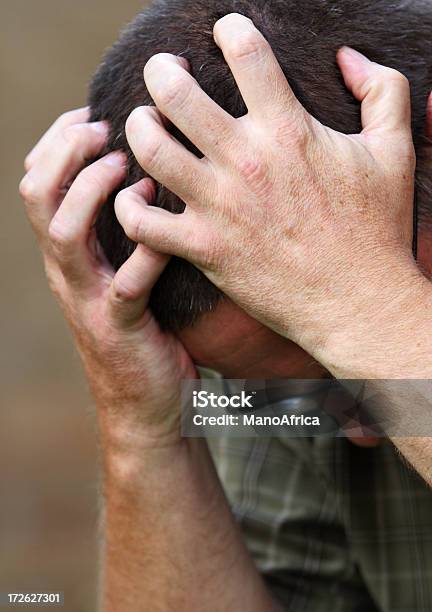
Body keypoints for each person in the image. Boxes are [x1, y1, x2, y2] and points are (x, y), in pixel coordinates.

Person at [19, 12, 432, 612]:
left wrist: (366, 311)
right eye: (306, 393)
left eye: (341, 371)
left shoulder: (313, 323)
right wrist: (143, 429)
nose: (361, 430)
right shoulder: (283, 359)